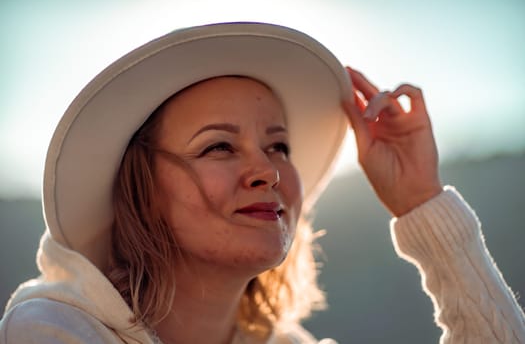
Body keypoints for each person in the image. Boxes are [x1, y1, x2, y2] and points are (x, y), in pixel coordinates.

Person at [0, 22, 523, 344]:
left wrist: (421, 201)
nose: (269, 172)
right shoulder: (53, 331)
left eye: (279, 147)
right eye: (219, 146)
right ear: (142, 190)